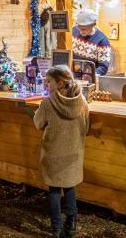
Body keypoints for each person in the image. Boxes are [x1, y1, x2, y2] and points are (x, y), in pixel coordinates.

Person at [33, 65, 90, 238]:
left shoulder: (47, 103)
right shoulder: (82, 102)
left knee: (54, 191)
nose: (46, 84)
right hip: (73, 154)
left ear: (59, 83)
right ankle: (71, 224)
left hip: (53, 154)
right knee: (70, 187)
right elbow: (86, 128)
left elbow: (38, 124)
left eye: (48, 81)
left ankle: (56, 228)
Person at [71, 9, 111, 75]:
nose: (81, 30)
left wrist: (90, 76)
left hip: (89, 80)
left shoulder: (102, 41)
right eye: (79, 27)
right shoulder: (73, 31)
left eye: (84, 28)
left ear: (94, 24)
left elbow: (103, 67)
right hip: (72, 76)